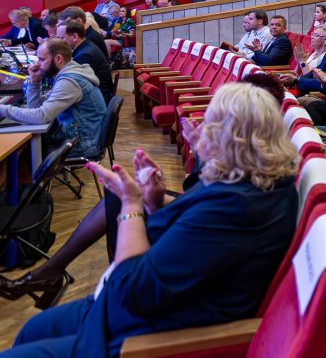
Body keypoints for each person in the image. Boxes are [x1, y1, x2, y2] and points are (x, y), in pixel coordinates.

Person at [1, 82, 297, 356]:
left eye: (211, 122)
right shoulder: (250, 181)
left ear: (230, 138)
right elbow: (192, 227)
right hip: (133, 304)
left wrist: (132, 203)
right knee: (33, 328)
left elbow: (134, 291)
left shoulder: (237, 206)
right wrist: (154, 201)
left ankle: (50, 274)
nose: (203, 127)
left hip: (142, 330)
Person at [0, 39, 106, 159]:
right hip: (81, 138)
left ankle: (36, 177)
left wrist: (2, 109)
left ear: (58, 59)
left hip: (83, 146)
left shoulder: (69, 81)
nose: (37, 64)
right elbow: (36, 108)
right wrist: (35, 82)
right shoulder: (70, 72)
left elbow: (41, 116)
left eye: (42, 59)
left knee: (18, 148)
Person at [57, 21, 115, 104]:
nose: (58, 42)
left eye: (61, 38)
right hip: (100, 95)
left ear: (74, 36)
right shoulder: (85, 46)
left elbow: (75, 85)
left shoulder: (84, 55)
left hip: (97, 102)